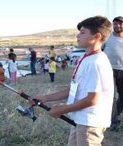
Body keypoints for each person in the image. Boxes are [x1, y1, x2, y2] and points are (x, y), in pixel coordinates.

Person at [29, 16, 114, 145]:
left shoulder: (97, 62)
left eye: (83, 32)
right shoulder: (86, 58)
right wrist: (45, 98)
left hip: (90, 123)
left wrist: (62, 110)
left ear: (96, 36)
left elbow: (92, 99)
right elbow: (72, 89)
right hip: (80, 121)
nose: (78, 35)